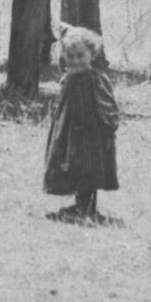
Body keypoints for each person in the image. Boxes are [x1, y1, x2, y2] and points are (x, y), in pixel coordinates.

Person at [43, 20, 119, 225]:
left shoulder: (95, 79)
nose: (75, 61)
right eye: (70, 56)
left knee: (88, 168)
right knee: (74, 167)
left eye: (80, 56)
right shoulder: (69, 78)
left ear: (91, 55)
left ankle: (88, 210)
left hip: (90, 135)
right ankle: (80, 206)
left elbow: (107, 104)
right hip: (70, 133)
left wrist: (108, 128)